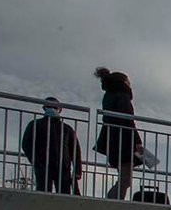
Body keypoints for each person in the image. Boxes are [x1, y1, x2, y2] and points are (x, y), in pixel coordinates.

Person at [92, 67, 143, 199]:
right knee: (125, 180)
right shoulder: (122, 96)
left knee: (124, 178)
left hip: (113, 142)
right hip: (124, 143)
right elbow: (128, 121)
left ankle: (112, 201)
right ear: (124, 82)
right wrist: (137, 142)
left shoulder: (109, 95)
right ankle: (112, 202)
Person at [20, 96, 82, 194]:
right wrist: (36, 161)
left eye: (55, 107)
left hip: (63, 168)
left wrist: (77, 171)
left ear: (59, 110)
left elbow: (75, 151)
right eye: (49, 107)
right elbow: (26, 144)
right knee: (43, 195)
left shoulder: (67, 129)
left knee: (64, 196)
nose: (52, 109)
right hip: (43, 167)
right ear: (44, 108)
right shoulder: (36, 124)